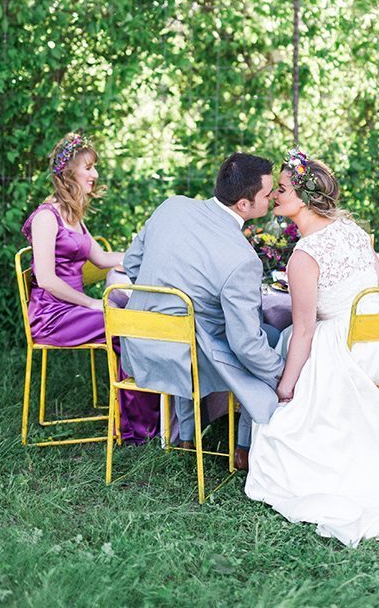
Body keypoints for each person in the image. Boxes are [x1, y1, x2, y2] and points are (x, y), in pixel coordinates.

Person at [245, 151, 379, 546]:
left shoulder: (304, 257)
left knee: (281, 417)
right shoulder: (354, 231)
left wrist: (285, 388)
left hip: (342, 346)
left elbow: (305, 331)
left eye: (283, 189)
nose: (274, 196)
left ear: (304, 198)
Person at [121, 152, 285, 469]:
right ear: (244, 204)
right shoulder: (242, 259)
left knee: (192, 328)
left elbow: (131, 265)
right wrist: (284, 375)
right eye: (267, 194)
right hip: (189, 359)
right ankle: (245, 450)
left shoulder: (172, 206)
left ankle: (187, 436)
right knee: (269, 340)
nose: (274, 197)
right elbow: (246, 345)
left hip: (140, 345)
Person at [21, 132, 160, 442]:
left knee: (134, 322)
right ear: (68, 172)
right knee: (126, 325)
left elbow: (101, 257)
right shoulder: (47, 217)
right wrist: (90, 303)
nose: (95, 174)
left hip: (72, 309)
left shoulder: (73, 216)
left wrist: (151, 254)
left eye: (94, 167)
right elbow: (45, 279)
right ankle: (137, 429)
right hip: (52, 315)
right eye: (89, 167)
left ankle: (146, 421)